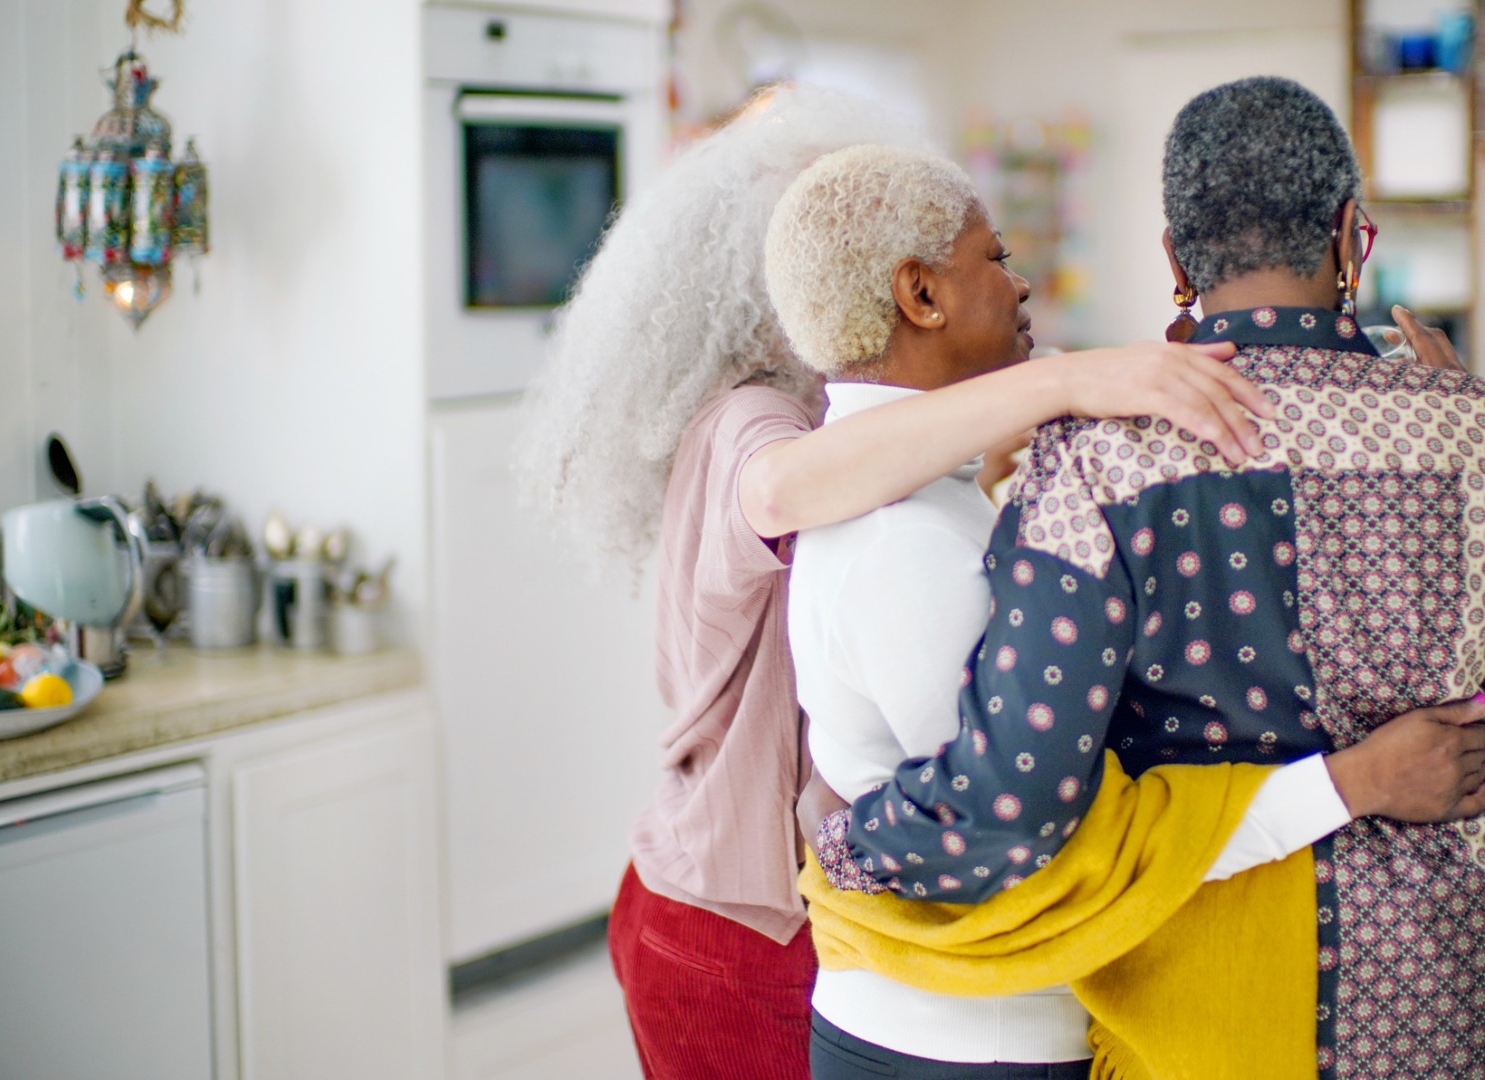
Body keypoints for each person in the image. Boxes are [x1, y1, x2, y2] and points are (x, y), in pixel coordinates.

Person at [809, 77, 1485, 1079]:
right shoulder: (1480, 433)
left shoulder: (1103, 460)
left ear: (1176, 259)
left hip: (1207, 1007)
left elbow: (1018, 797)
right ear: (1353, 237)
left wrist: (851, 846)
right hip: (1447, 997)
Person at [514, 85, 1274, 1080]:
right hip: (740, 932)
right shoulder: (754, 424)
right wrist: (1064, 381)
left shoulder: (867, 442)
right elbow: (789, 488)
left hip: (760, 914)